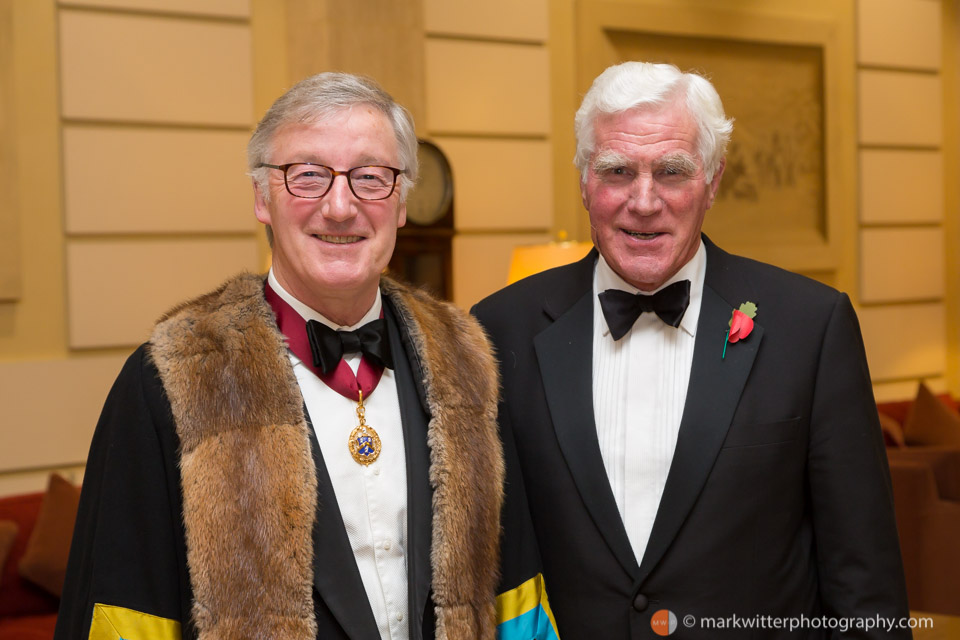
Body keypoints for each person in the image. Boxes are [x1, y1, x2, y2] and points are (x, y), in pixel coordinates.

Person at [55, 73, 551, 640]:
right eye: (308, 176)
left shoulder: (467, 365)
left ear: (402, 203)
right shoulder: (173, 381)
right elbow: (123, 618)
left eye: (370, 177)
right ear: (262, 198)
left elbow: (516, 603)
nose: (340, 208)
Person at [472, 61, 910, 638]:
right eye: (617, 171)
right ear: (583, 182)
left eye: (672, 172)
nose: (644, 200)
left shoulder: (810, 326)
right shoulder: (500, 330)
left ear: (714, 180)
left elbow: (864, 578)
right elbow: (484, 563)